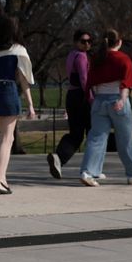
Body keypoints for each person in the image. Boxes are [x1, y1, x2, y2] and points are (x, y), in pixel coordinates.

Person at [79, 29, 132, 186]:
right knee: (125, 140)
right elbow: (126, 82)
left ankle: (87, 172)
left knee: (96, 139)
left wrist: (94, 100)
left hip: (99, 101)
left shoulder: (97, 59)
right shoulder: (123, 59)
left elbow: (91, 84)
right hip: (117, 100)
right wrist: (122, 99)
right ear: (119, 42)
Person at [0, 15, 36, 194]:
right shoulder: (18, 49)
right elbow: (23, 79)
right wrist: (30, 105)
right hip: (8, 89)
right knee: (7, 138)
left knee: (6, 138)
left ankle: (1, 178)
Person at [47, 29, 93, 179]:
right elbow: (84, 80)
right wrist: (91, 97)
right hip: (81, 97)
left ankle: (59, 158)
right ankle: (91, 168)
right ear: (76, 42)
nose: (86, 44)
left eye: (89, 41)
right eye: (83, 41)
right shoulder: (81, 57)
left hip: (71, 96)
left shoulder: (71, 55)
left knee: (76, 133)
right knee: (93, 132)